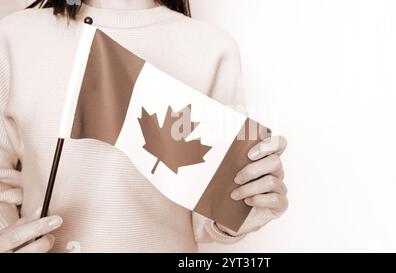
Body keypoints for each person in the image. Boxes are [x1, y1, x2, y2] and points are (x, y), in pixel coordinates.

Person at [0, 0, 288, 253]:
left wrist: (242, 205)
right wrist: (8, 237)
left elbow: (207, 219)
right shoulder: (14, 37)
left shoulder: (213, 48)